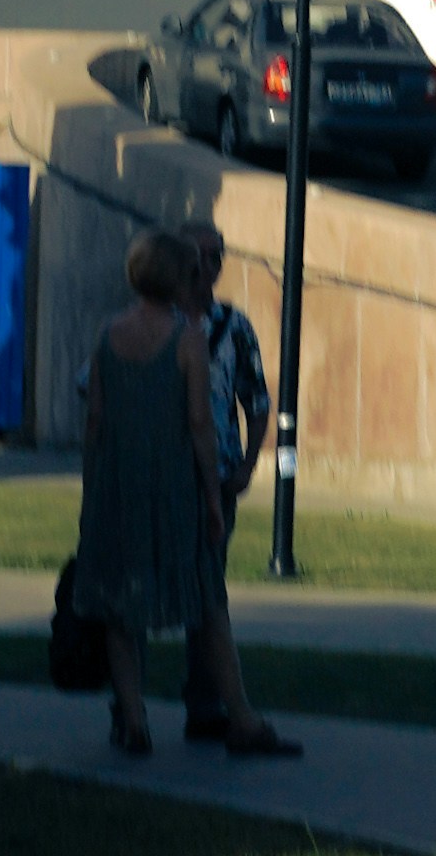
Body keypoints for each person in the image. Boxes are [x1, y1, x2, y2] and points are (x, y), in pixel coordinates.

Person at [71, 226, 296, 759]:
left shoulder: (108, 336)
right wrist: (213, 499)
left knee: (122, 605)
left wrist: (94, 489)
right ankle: (239, 717)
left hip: (118, 489)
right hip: (179, 492)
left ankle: (134, 719)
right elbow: (199, 425)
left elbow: (95, 418)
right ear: (176, 278)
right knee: (207, 600)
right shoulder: (187, 340)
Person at [182, 221, 272, 742]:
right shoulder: (154, 324)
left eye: (217, 255)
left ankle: (206, 705)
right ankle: (129, 707)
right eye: (198, 255)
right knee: (152, 592)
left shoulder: (232, 326)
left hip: (218, 478)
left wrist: (245, 467)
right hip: (166, 478)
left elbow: (256, 399)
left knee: (208, 588)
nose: (209, 265)